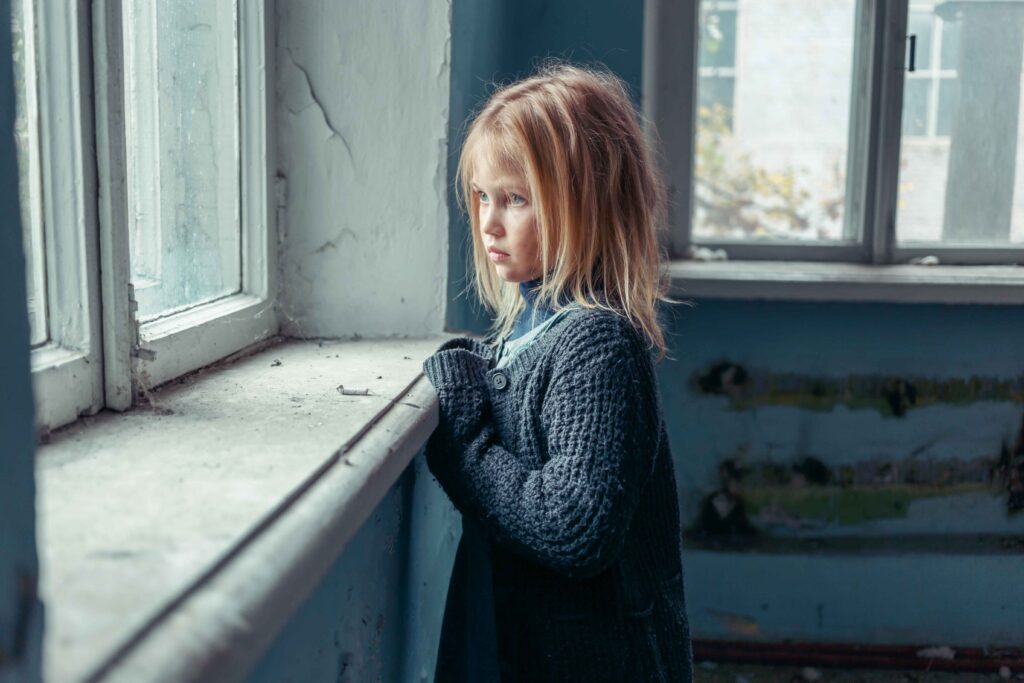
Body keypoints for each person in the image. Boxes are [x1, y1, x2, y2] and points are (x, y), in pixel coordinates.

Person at [421, 62, 694, 682]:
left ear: (588, 204)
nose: (489, 222)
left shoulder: (597, 345)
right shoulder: (525, 330)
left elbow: (573, 527)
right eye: (483, 197)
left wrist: (464, 441)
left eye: (515, 199)